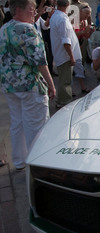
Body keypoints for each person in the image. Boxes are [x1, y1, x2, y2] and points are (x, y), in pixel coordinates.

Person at [0, 0, 55, 171]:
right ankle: (38, 163)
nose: (35, 14)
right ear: (18, 10)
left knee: (17, 123)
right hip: (29, 84)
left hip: (9, 85)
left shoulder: (4, 29)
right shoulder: (28, 30)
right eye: (31, 10)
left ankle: (19, 161)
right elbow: (40, 62)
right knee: (36, 125)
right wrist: (51, 84)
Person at [50, 0, 82, 108]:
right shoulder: (62, 19)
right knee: (65, 81)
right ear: (67, 6)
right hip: (64, 55)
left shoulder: (56, 16)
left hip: (60, 54)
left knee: (64, 79)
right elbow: (65, 41)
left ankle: (62, 100)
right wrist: (71, 57)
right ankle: (64, 103)